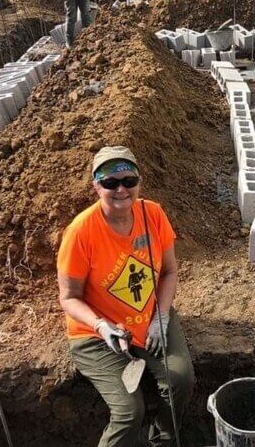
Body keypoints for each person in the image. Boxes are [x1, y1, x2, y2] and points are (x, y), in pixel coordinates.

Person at [57, 146, 195, 447]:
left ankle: (162, 439)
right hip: (96, 334)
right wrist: (102, 327)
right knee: (130, 412)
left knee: (180, 380)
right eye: (110, 183)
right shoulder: (80, 233)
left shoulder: (153, 214)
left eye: (129, 181)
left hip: (149, 318)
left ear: (139, 183)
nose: (121, 189)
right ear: (96, 186)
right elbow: (69, 298)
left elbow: (169, 272)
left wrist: (160, 316)